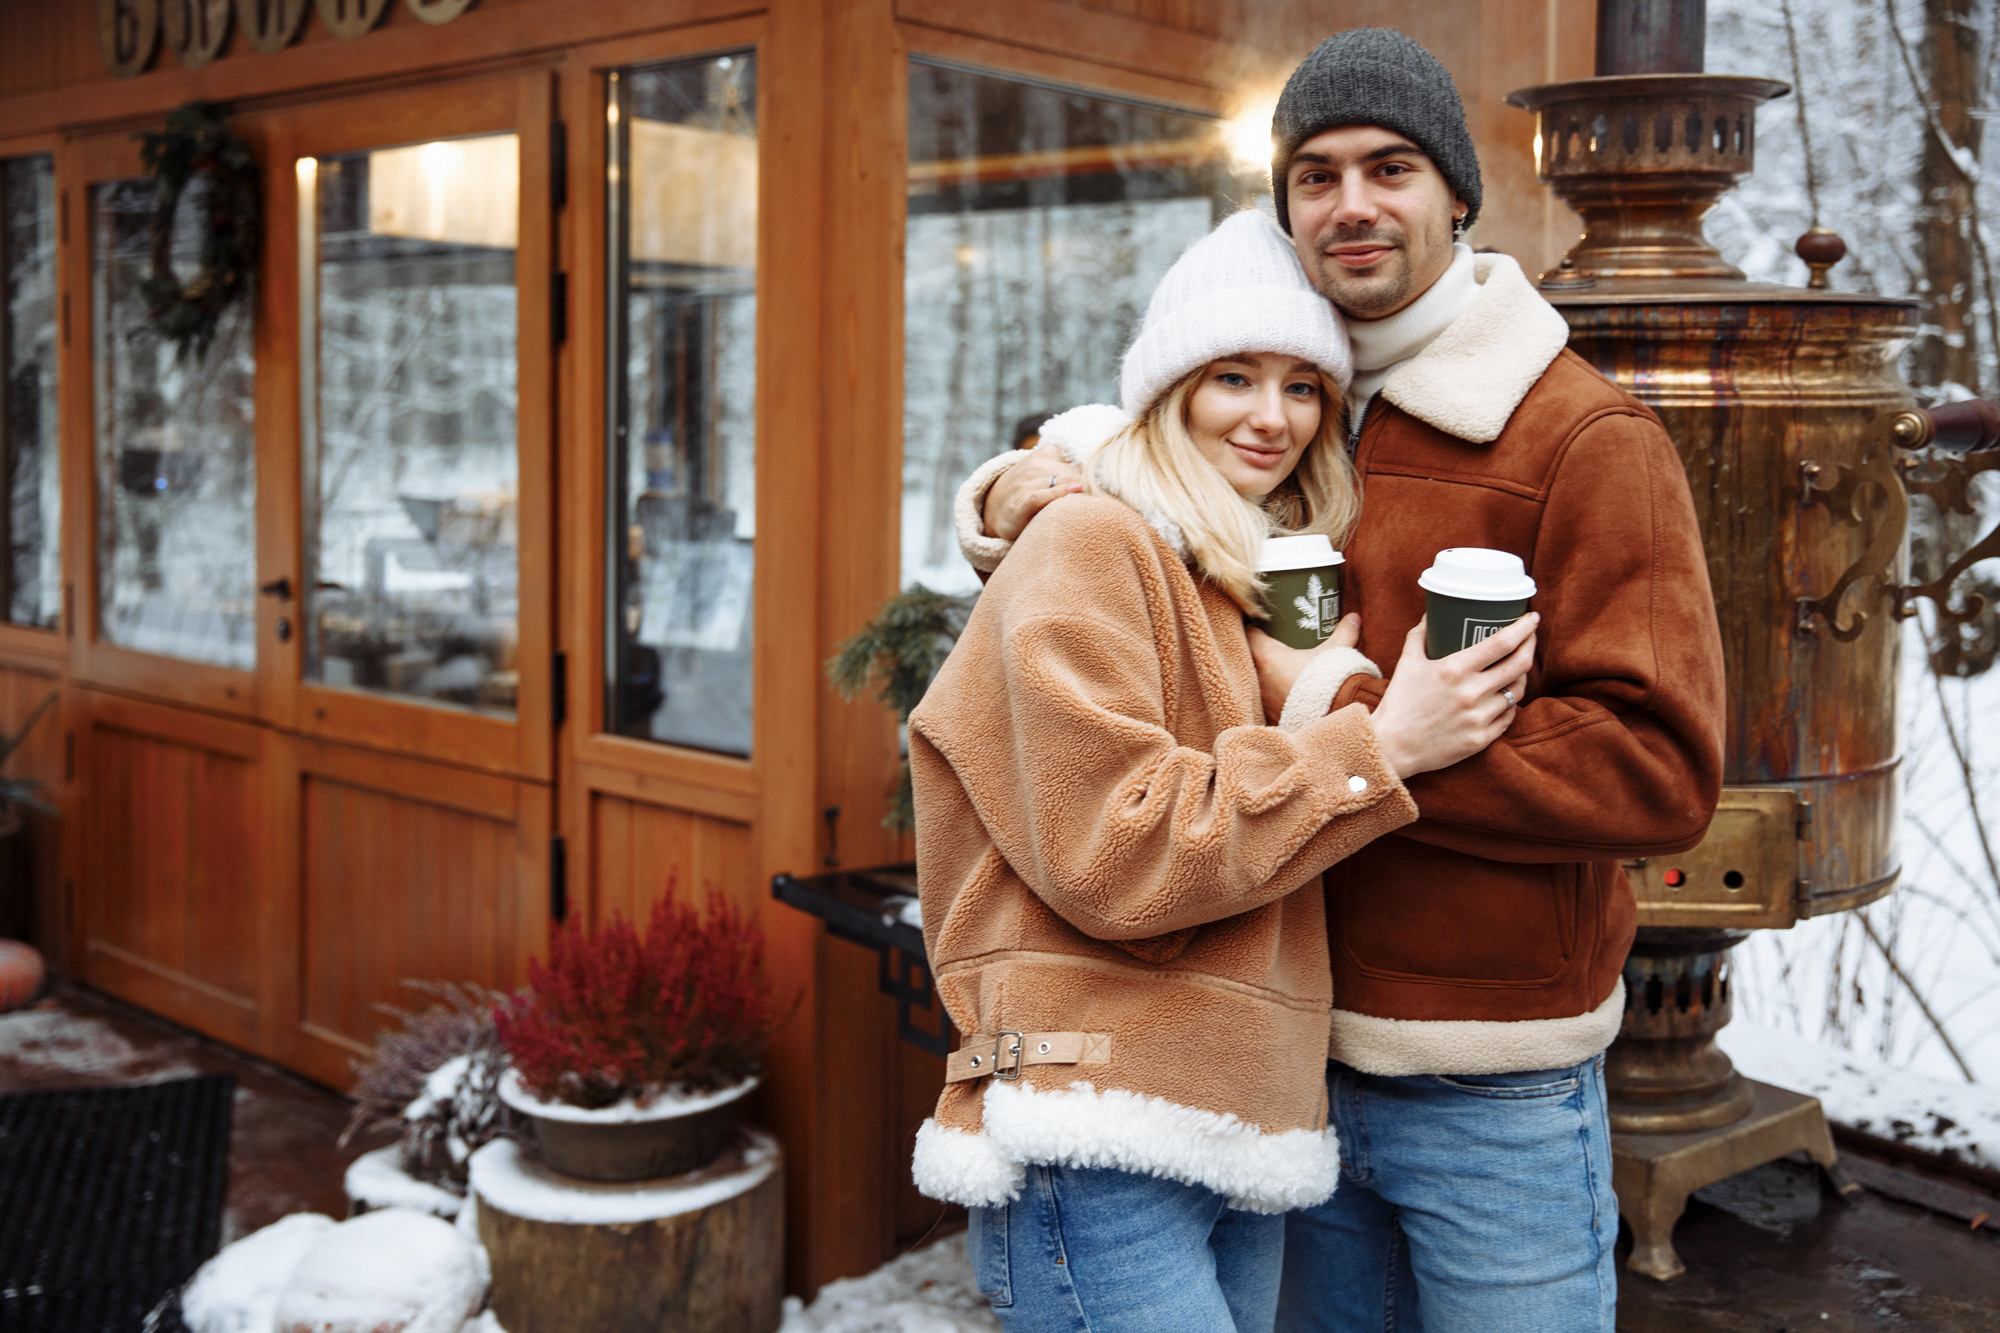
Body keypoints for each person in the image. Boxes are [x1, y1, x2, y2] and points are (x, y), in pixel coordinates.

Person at [955, 29, 1727, 1333]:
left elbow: (1657, 770)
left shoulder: (1583, 435)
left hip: (1490, 1083)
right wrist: (1031, 477)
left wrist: (1355, 721)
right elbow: (1138, 474)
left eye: (1391, 168)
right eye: (1314, 176)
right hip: (1276, 1063)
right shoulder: (1285, 397)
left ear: (1459, 197)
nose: (1351, 204)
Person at [908, 208, 1539, 1333]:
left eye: (1304, 387)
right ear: (1167, 390)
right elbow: (1116, 845)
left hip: (1231, 1114)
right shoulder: (1091, 540)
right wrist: (1378, 745)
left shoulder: (1231, 571)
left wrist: (1312, 685)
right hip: (1092, 1118)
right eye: (1233, 376)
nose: (1271, 416)